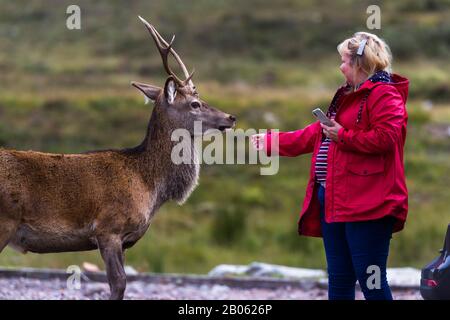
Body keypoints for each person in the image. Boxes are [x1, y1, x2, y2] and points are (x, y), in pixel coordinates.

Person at [251, 32, 409, 300]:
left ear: (361, 63)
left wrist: (343, 136)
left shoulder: (385, 95)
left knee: (370, 280)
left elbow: (387, 137)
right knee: (339, 279)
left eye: (345, 61)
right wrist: (271, 142)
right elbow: (315, 134)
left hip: (370, 203)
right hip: (335, 200)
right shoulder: (349, 97)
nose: (341, 66)